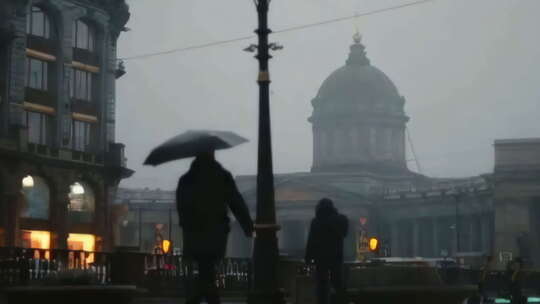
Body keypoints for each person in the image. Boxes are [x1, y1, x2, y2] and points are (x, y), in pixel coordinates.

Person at [176, 151, 254, 304]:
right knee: (207, 272)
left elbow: (182, 207)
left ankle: (200, 298)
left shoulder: (186, 179)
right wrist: (248, 226)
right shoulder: (222, 176)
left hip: (194, 234)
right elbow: (236, 202)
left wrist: (187, 225)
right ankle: (205, 298)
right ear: (212, 155)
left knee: (205, 272)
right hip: (215, 233)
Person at [305, 198, 349, 304]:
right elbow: (344, 233)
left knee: (321, 286)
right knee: (338, 284)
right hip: (336, 257)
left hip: (321, 259)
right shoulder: (340, 220)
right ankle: (340, 301)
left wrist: (308, 258)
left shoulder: (316, 222)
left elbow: (311, 241)